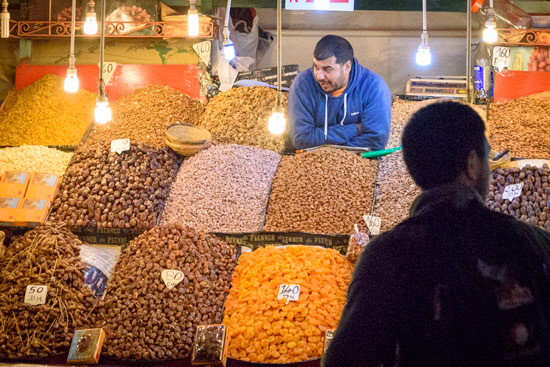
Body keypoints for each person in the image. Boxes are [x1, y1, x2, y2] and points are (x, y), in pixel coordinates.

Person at [323, 101, 550, 366]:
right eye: (486, 157)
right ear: (472, 164)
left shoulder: (386, 255)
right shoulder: (531, 243)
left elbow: (347, 358)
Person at [288, 35, 391, 151]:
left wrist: (333, 155)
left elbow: (375, 141)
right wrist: (355, 129)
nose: (319, 76)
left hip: (360, 164)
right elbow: (301, 139)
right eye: (316, 67)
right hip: (309, 163)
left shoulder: (373, 86)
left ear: (347, 66)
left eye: (327, 69)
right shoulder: (302, 84)